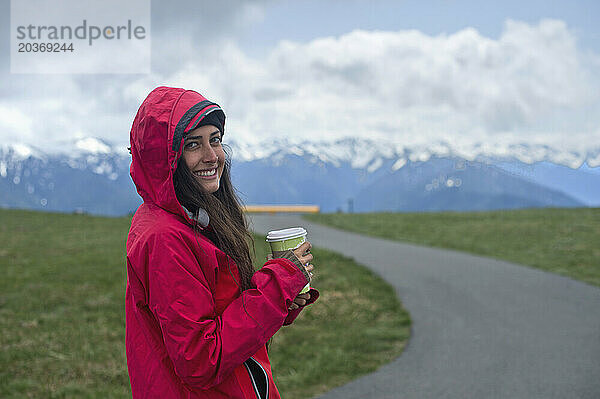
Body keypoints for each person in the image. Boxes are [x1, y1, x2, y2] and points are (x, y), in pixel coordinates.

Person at [125, 86, 319, 398]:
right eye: (193, 144)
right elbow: (201, 358)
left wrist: (281, 298)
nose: (212, 156)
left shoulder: (193, 217)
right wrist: (276, 285)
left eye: (215, 140)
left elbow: (221, 313)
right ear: (165, 158)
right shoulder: (164, 237)